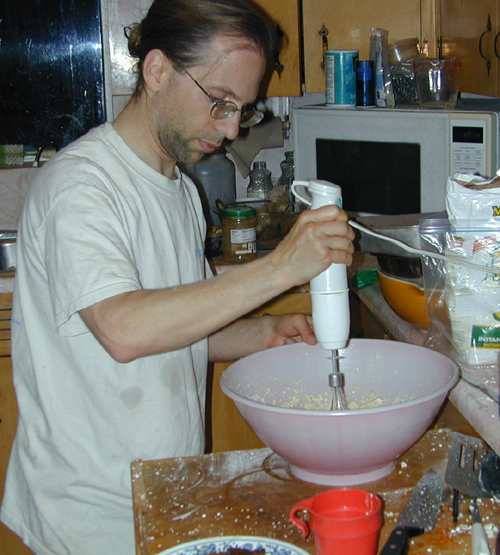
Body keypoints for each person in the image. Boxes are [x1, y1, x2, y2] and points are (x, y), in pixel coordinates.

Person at [0, 0, 355, 553]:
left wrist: (262, 333)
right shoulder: (81, 187)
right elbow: (125, 331)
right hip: (92, 515)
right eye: (220, 103)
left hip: (166, 490)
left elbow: (174, 330)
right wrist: (282, 266)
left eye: (245, 109)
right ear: (157, 70)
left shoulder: (180, 189)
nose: (233, 127)